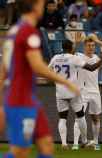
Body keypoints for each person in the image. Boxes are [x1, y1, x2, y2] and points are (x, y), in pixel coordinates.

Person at [0, 0, 80, 157]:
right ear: (35, 6)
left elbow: (4, 71)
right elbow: (37, 66)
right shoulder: (29, 31)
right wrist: (65, 81)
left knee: (46, 145)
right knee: (20, 152)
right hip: (20, 101)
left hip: (27, 100)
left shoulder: (13, 31)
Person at [48, 39, 102, 149]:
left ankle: (64, 143)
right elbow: (91, 68)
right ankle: (84, 141)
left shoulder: (55, 58)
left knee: (62, 118)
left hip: (60, 92)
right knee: (80, 115)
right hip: (73, 91)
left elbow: (48, 70)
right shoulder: (74, 59)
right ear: (71, 48)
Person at [72, 36, 102, 150]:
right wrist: (75, 44)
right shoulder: (78, 56)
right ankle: (76, 143)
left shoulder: (97, 57)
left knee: (95, 118)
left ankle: (96, 142)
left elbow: (100, 66)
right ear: (84, 46)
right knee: (79, 117)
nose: (91, 47)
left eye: (93, 45)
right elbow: (70, 56)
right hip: (82, 92)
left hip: (95, 91)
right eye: (88, 45)